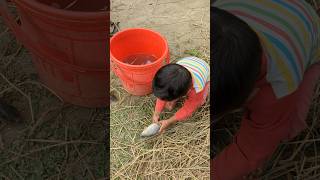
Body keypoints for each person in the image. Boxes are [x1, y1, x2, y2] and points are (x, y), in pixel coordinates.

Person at [211, 0, 320, 179]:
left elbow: (248, 153)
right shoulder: (213, 26)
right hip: (263, 8)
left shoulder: (279, 88)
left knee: (289, 124)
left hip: (308, 28)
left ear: (249, 96)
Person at [152, 56, 210, 132]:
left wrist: (170, 121)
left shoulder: (197, 89)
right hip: (188, 63)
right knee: (168, 92)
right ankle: (173, 96)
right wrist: (156, 113)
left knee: (199, 102)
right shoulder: (174, 73)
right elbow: (163, 90)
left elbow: (188, 109)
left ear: (184, 94)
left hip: (205, 72)